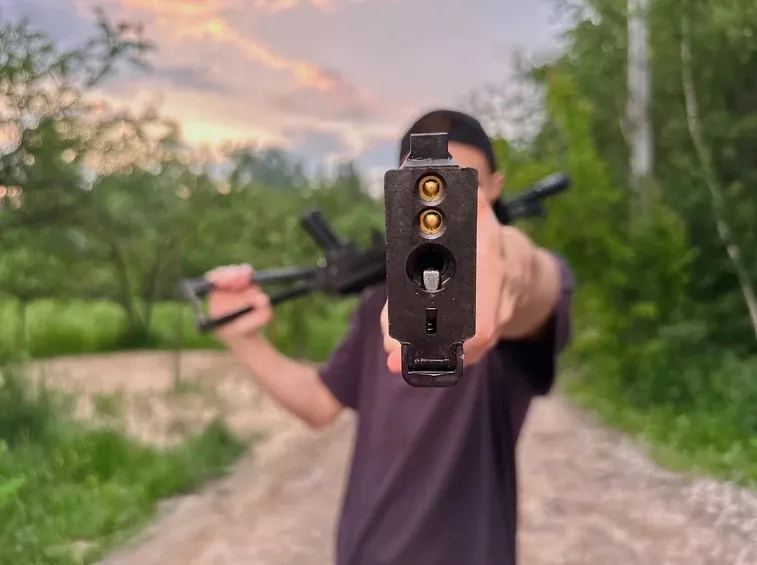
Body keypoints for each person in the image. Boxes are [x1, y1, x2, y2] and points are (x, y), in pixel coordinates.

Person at [205, 109, 574, 565]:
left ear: (495, 187)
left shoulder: (506, 288)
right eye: (428, 186)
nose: (446, 204)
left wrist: (506, 267)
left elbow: (533, 282)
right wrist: (243, 339)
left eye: (465, 185)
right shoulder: (379, 299)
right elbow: (319, 404)